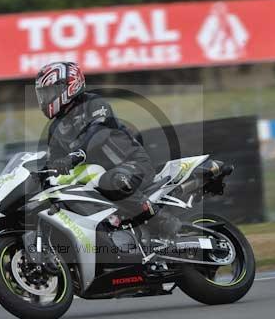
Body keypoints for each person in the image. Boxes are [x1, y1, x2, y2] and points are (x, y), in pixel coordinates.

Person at [35, 61, 181, 239]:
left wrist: (76, 155)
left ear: (69, 86)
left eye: (49, 92)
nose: (45, 98)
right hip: (95, 177)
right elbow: (54, 160)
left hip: (132, 164)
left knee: (111, 181)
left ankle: (160, 219)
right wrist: (40, 174)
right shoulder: (55, 128)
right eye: (43, 94)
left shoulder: (95, 103)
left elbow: (98, 132)